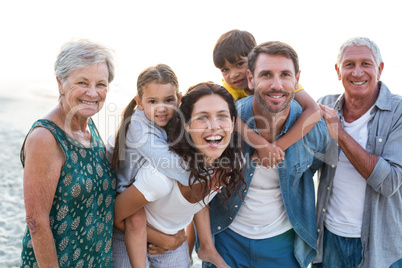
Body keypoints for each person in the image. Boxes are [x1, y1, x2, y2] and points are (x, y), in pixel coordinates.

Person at [204, 41, 328, 268]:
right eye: (266, 75)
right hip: (226, 240)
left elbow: (319, 170)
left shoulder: (314, 129)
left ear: (297, 79)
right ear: (251, 79)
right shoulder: (226, 120)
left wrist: (277, 147)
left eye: (285, 75)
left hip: (283, 245)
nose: (277, 84)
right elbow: (199, 177)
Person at [113, 82, 245, 267]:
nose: (214, 126)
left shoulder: (224, 166)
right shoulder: (160, 177)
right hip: (129, 234)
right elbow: (114, 216)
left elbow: (199, 201)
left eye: (222, 116)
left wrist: (205, 247)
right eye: (202, 117)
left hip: (174, 239)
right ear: (187, 125)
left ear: (232, 123)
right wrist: (162, 239)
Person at [19, 39, 116, 267]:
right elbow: (36, 222)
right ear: (60, 83)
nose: (93, 93)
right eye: (82, 82)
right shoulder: (45, 137)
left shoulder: (87, 126)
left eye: (100, 84)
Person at [313, 37, 402, 268]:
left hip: (381, 246)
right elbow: (304, 164)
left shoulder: (398, 112)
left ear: (380, 69)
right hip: (329, 238)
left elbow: (390, 182)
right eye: (349, 64)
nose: (357, 72)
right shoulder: (324, 105)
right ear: (338, 70)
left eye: (366, 63)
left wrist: (339, 132)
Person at [212, 29, 322, 167]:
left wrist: (278, 147)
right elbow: (230, 118)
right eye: (224, 70)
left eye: (239, 64)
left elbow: (314, 110)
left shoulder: (282, 83)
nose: (233, 74)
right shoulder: (230, 88)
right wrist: (262, 146)